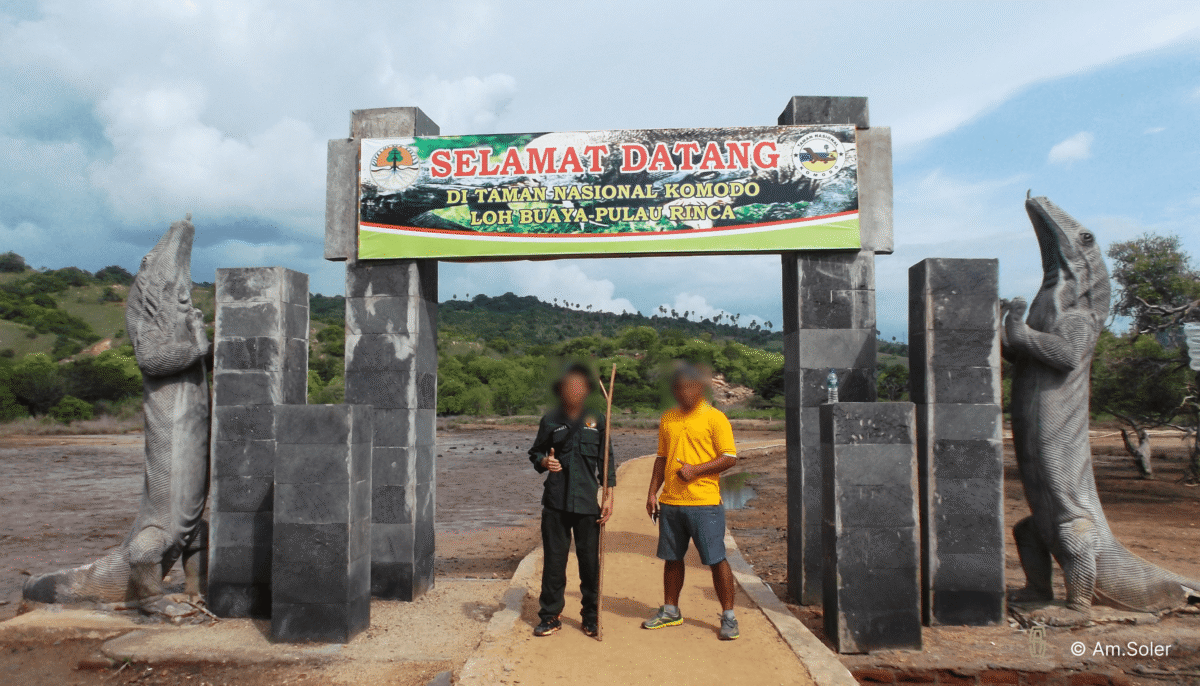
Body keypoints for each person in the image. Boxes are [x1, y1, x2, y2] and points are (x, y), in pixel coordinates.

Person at [643, 363, 740, 640]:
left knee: (716, 558)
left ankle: (729, 617)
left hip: (704, 502)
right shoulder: (668, 418)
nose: (683, 392)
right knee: (672, 558)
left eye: (689, 386)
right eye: (678, 388)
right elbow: (662, 458)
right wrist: (652, 493)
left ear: (700, 388)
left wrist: (696, 470)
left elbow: (730, 458)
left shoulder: (715, 418)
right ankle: (671, 610)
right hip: (671, 502)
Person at [528, 362, 616, 637]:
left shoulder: (598, 420)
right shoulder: (550, 420)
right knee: (554, 562)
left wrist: (609, 497)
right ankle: (550, 615)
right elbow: (535, 453)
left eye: (580, 386)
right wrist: (545, 461)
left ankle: (591, 616)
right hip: (555, 502)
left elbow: (607, 461)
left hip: (588, 503)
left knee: (590, 563)